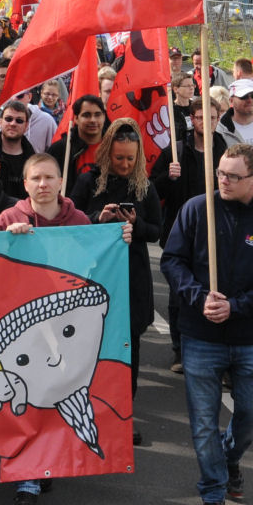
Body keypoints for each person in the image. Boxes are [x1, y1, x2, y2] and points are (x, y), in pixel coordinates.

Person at [161, 144, 253, 505]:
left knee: (251, 414)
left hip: (249, 337)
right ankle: (213, 493)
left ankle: (229, 457)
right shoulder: (197, 209)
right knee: (203, 422)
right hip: (200, 335)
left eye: (232, 176)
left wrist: (236, 306)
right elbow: (172, 260)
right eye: (220, 172)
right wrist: (200, 298)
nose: (223, 180)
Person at [0, 152, 96, 505]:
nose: (43, 185)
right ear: (25, 183)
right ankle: (28, 483)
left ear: (61, 182)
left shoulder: (79, 220)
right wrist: (8, 240)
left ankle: (44, 463)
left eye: (50, 178)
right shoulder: (9, 217)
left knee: (55, 401)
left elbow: (96, 264)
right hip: (24, 336)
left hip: (66, 334)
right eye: (36, 179)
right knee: (27, 403)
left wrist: (120, 236)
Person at [70, 118, 160, 417]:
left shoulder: (145, 186)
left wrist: (137, 223)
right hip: (93, 276)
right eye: (119, 158)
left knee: (128, 348)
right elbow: (70, 220)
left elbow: (156, 231)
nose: (124, 164)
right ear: (108, 153)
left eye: (130, 159)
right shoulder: (88, 181)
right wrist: (98, 218)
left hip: (132, 277)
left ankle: (124, 414)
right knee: (87, 348)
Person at [151, 97, 228, 373]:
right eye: (199, 117)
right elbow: (152, 192)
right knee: (178, 296)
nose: (205, 122)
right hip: (179, 234)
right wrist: (167, 178)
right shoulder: (176, 151)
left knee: (216, 292)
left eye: (211, 117)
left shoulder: (226, 152)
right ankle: (180, 351)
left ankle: (214, 352)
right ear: (191, 119)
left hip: (216, 234)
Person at [47, 94, 109, 195]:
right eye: (86, 115)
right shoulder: (61, 149)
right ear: (76, 118)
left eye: (97, 115)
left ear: (104, 117)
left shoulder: (114, 147)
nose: (93, 120)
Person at [170, 71, 196, 140]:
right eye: (187, 86)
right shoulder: (170, 110)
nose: (191, 88)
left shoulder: (196, 107)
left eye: (192, 85)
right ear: (176, 89)